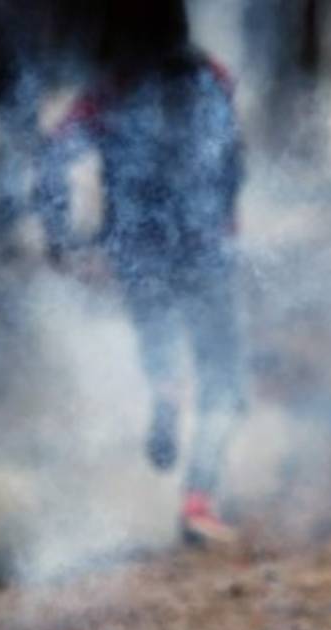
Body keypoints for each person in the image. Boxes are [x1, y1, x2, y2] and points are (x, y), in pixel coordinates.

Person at [39, 0, 246, 545]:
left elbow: (56, 156)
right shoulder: (211, 77)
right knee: (223, 379)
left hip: (136, 248)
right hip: (203, 246)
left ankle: (164, 388)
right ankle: (199, 501)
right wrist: (225, 218)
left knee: (157, 337)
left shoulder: (110, 89)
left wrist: (63, 238)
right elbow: (231, 158)